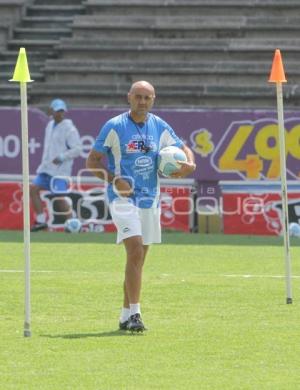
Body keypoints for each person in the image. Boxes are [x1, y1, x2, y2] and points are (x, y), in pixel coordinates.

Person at [86, 81, 196, 332]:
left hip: (151, 199)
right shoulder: (114, 126)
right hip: (122, 199)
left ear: (153, 99)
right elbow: (92, 161)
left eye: (147, 97)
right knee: (135, 249)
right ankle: (136, 314)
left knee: (137, 259)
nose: (142, 101)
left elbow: (183, 147)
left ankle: (125, 315)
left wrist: (189, 163)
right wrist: (114, 179)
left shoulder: (160, 126)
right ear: (129, 97)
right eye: (138, 97)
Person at [30, 99, 82, 232]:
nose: (60, 113)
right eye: (57, 110)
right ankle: (41, 221)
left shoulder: (69, 128)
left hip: (60, 171)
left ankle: (74, 224)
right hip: (46, 169)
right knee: (33, 189)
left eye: (62, 111)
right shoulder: (49, 125)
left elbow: (77, 149)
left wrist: (61, 157)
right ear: (51, 111)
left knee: (59, 197)